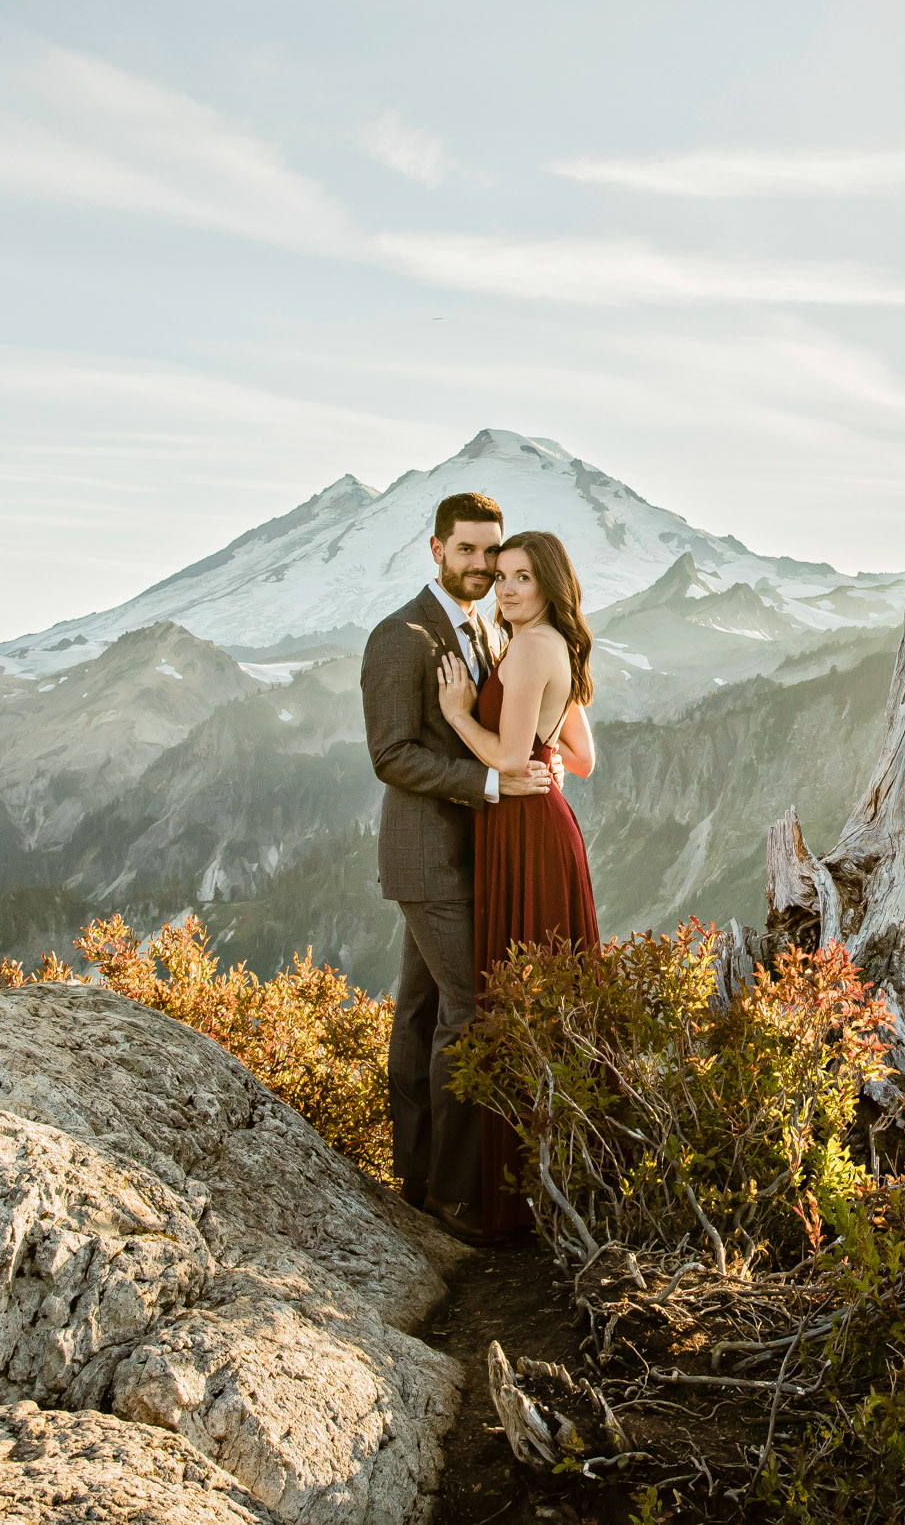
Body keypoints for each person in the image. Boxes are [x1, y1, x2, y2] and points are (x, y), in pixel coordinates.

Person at [361, 492, 555, 1247]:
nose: (482, 567)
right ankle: (451, 1196)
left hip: (466, 858)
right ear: (435, 549)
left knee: (419, 1014)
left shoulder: (485, 628)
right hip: (428, 858)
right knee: (470, 1011)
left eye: (491, 552)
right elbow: (389, 754)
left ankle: (416, 1176)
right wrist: (489, 784)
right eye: (467, 551)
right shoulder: (402, 637)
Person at [435, 528, 600, 1239]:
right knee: (545, 1010)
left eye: (522, 577)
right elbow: (584, 757)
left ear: (550, 584)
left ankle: (517, 1210)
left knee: (518, 1009)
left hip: (526, 832)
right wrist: (547, 752)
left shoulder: (532, 646)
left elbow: (503, 758)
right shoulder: (550, 643)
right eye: (500, 576)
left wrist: (456, 715)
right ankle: (557, 1192)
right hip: (541, 826)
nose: (505, 588)